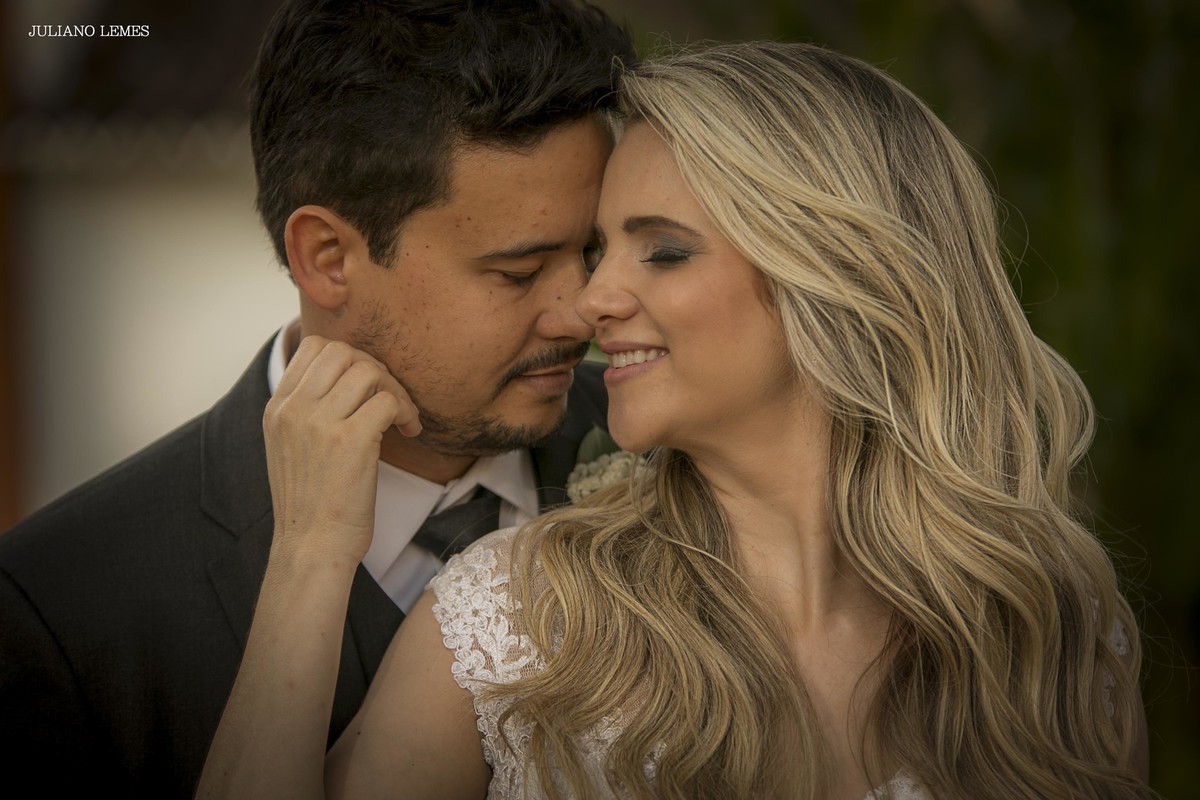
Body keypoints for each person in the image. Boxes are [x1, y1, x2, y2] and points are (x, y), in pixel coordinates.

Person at [200, 42, 1150, 799]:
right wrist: (309, 555)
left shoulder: (1047, 619)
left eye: (660, 253)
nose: (588, 302)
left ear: (833, 280)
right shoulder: (517, 623)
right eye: (597, 249)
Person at [0, 0, 634, 795]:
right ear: (328, 257)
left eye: (593, 250)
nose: (584, 309)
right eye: (517, 271)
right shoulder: (59, 606)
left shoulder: (674, 453)